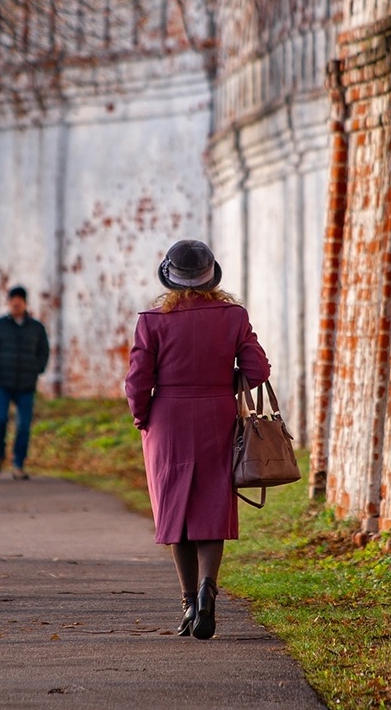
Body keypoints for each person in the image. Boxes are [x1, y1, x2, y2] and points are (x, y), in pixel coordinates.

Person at [123, 240, 269, 640]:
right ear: (211, 276)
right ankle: (208, 590)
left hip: (167, 420)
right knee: (211, 510)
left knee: (176, 513)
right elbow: (257, 370)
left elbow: (137, 381)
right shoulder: (233, 316)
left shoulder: (151, 321)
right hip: (217, 418)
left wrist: (142, 417)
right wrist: (229, 377)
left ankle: (188, 602)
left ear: (170, 278)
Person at [0, 285, 50, 480]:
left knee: (23, 426)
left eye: (19, 301)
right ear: (8, 303)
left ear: (24, 303)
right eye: (13, 301)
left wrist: (37, 368)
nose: (16, 304)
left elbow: (44, 351)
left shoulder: (36, 328)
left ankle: (18, 464)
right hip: (1, 384)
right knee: (0, 421)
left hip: (26, 386)